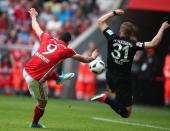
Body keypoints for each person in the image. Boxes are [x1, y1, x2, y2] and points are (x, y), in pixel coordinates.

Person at [23, 8, 98, 128]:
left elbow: (36, 27)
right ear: (68, 42)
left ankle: (58, 78)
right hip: (35, 78)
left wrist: (33, 16)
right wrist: (93, 57)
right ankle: (34, 123)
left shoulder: (48, 38)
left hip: (26, 69)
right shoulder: (65, 50)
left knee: (49, 65)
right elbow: (84, 59)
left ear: (58, 37)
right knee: (43, 102)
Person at [91, 9, 170, 118]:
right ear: (132, 33)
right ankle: (106, 98)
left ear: (120, 31)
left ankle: (109, 94)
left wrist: (114, 13)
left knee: (116, 97)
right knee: (126, 113)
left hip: (109, 75)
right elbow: (153, 43)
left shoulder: (112, 37)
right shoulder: (133, 44)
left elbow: (100, 21)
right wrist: (162, 28)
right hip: (124, 79)